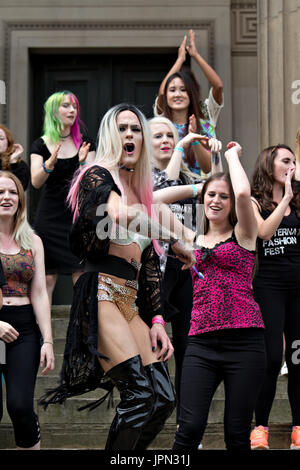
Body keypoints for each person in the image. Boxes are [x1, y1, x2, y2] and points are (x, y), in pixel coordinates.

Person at [39, 103, 196, 451]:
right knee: (139, 395)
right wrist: (174, 238)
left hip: (128, 299)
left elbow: (149, 264)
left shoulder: (140, 190)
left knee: (163, 398)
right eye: (122, 128)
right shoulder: (96, 174)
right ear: (111, 135)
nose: (130, 135)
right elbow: (120, 216)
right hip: (102, 291)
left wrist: (156, 318)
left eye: (135, 129)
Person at [173, 142, 266, 451]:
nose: (216, 201)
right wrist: (199, 187)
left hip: (245, 342)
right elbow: (152, 203)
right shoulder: (191, 238)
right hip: (201, 343)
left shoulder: (245, 234)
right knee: (189, 428)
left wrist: (229, 157)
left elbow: (242, 193)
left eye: (222, 196)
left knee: (237, 433)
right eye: (211, 195)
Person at [150, 115, 222, 421]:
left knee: (187, 346)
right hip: (154, 271)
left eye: (171, 135)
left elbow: (218, 190)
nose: (166, 140)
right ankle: (150, 411)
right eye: (159, 136)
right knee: (152, 344)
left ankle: (186, 420)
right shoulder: (143, 178)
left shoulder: (188, 178)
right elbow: (160, 189)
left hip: (185, 273)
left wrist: (216, 155)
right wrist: (182, 144)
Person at [250, 144, 300, 450]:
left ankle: (298, 427)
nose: (292, 165)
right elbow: (264, 232)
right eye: (286, 161)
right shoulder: (256, 203)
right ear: (270, 165)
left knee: (298, 360)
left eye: (294, 161)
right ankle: (260, 427)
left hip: (298, 291)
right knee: (270, 360)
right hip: (268, 289)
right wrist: (285, 200)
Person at [0, 171, 54, 450]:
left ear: (20, 200)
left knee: (20, 406)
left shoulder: (33, 241)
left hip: (23, 328)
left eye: (12, 192)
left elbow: (40, 292)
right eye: (0, 192)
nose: (6, 197)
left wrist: (47, 340)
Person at [30, 90, 95, 305]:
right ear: (53, 111)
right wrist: (49, 164)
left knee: (80, 274)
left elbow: (93, 183)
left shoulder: (85, 142)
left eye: (74, 106)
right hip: (49, 217)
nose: (72, 110)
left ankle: (82, 332)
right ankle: (45, 336)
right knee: (47, 277)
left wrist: (83, 162)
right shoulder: (41, 144)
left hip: (77, 216)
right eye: (66, 105)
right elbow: (35, 182)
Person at [154, 29, 224, 176]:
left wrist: (196, 56)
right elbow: (161, 92)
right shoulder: (162, 121)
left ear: (191, 94)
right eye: (172, 90)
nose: (178, 94)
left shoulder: (205, 117)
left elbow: (218, 86)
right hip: (170, 189)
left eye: (183, 90)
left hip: (201, 191)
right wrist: (180, 60)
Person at [0, 124, 30, 190]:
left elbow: (20, 189)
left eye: (1, 138)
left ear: (8, 143)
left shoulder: (20, 165)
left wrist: (13, 163)